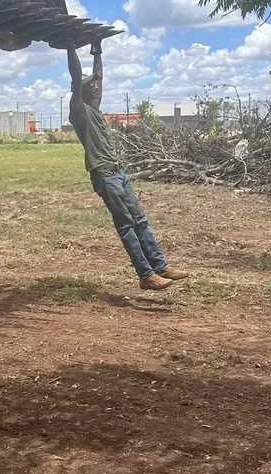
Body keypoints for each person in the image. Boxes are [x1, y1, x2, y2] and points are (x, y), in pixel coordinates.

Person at [66, 41, 187, 292]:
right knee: (126, 224)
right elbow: (77, 76)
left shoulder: (94, 109)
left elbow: (99, 75)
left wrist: (96, 49)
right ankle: (145, 275)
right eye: (91, 86)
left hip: (118, 172)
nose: (96, 86)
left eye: (95, 84)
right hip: (103, 174)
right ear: (80, 90)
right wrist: (70, 46)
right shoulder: (78, 111)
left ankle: (160, 266)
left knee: (140, 220)